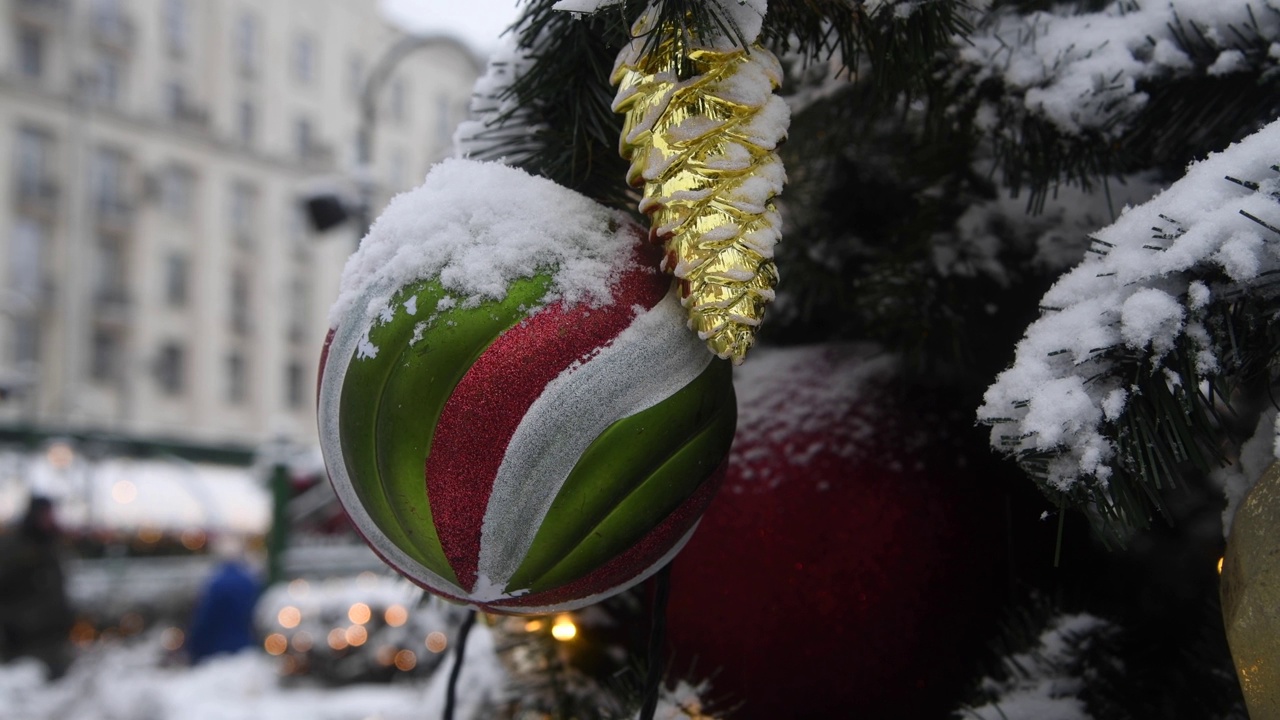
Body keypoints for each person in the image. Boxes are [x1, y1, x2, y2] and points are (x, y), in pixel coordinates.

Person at [0, 496, 74, 679]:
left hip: (52, 630)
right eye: (45, 514)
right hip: (21, 635)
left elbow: (58, 585)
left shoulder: (52, 543)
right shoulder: (14, 546)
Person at [185, 534, 260, 663]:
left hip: (217, 650)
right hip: (245, 648)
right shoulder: (251, 581)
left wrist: (194, 647)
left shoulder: (216, 583)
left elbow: (206, 618)